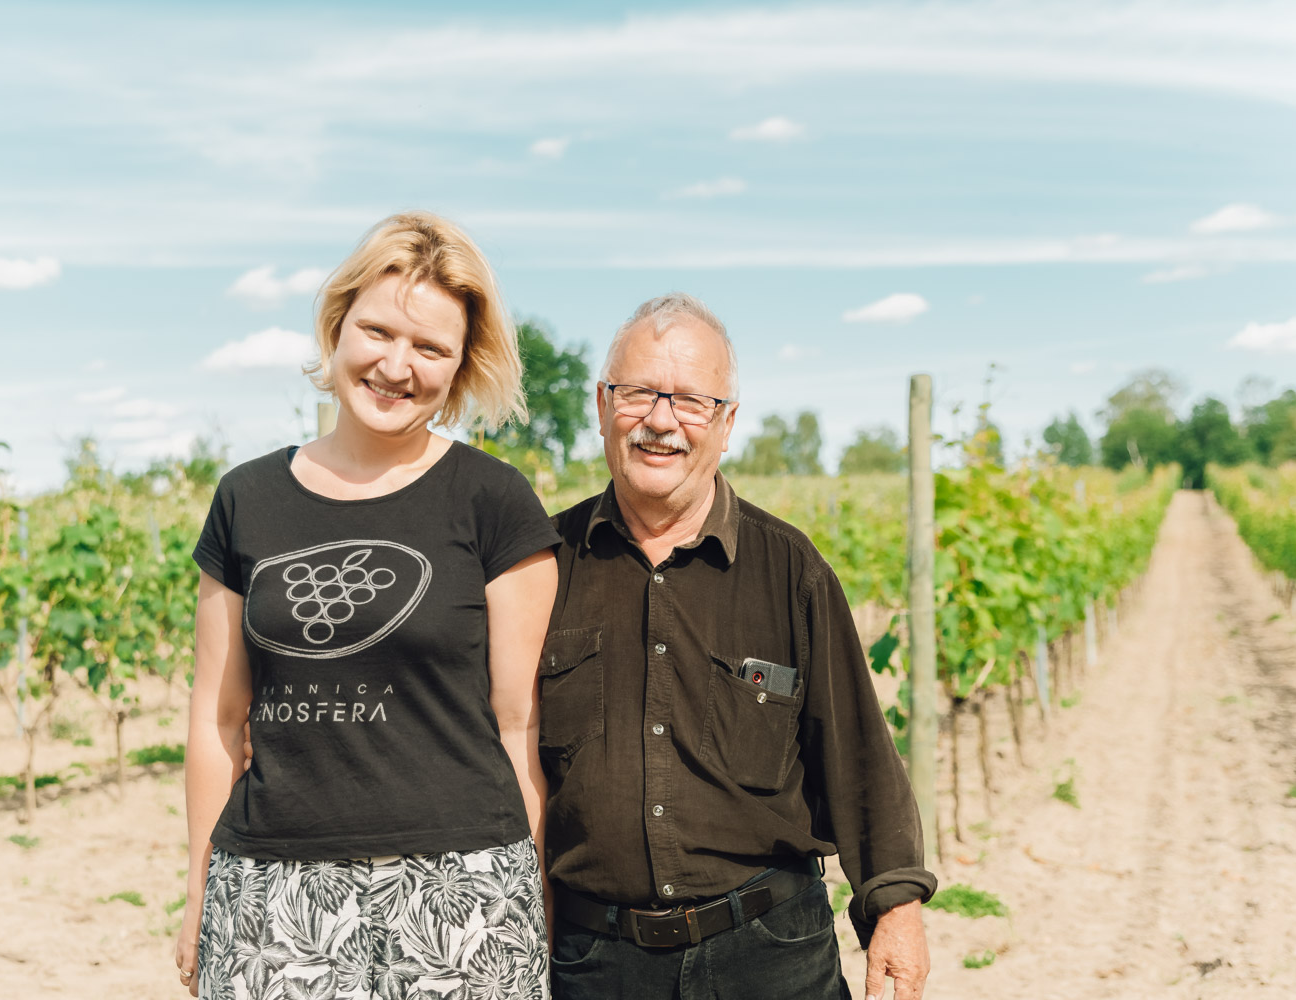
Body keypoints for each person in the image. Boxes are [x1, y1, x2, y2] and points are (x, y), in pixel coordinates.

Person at [175, 212, 561, 1000]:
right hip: (269, 892)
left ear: (459, 368)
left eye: (430, 348)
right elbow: (217, 718)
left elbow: (520, 725)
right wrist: (199, 891)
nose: (396, 365)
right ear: (338, 322)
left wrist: (531, 901)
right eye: (378, 331)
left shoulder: (494, 503)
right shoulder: (246, 499)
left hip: (460, 891)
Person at [538, 293, 936, 1000]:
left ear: (726, 426)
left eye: (692, 401)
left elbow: (858, 756)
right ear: (603, 407)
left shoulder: (790, 570)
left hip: (769, 955)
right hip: (593, 963)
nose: (661, 421)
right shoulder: (542, 569)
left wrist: (896, 910)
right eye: (638, 394)